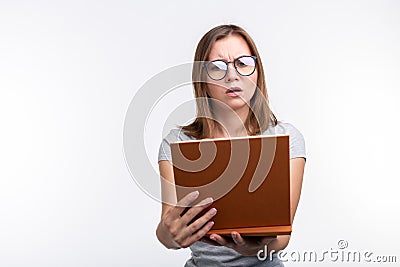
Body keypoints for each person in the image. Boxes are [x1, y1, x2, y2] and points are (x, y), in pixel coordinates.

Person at [156, 24, 306, 266]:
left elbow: (281, 237)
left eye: (243, 63)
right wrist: (170, 235)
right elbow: (167, 231)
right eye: (217, 67)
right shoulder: (178, 143)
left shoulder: (286, 139)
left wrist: (256, 247)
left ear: (257, 72)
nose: (232, 75)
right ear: (201, 79)